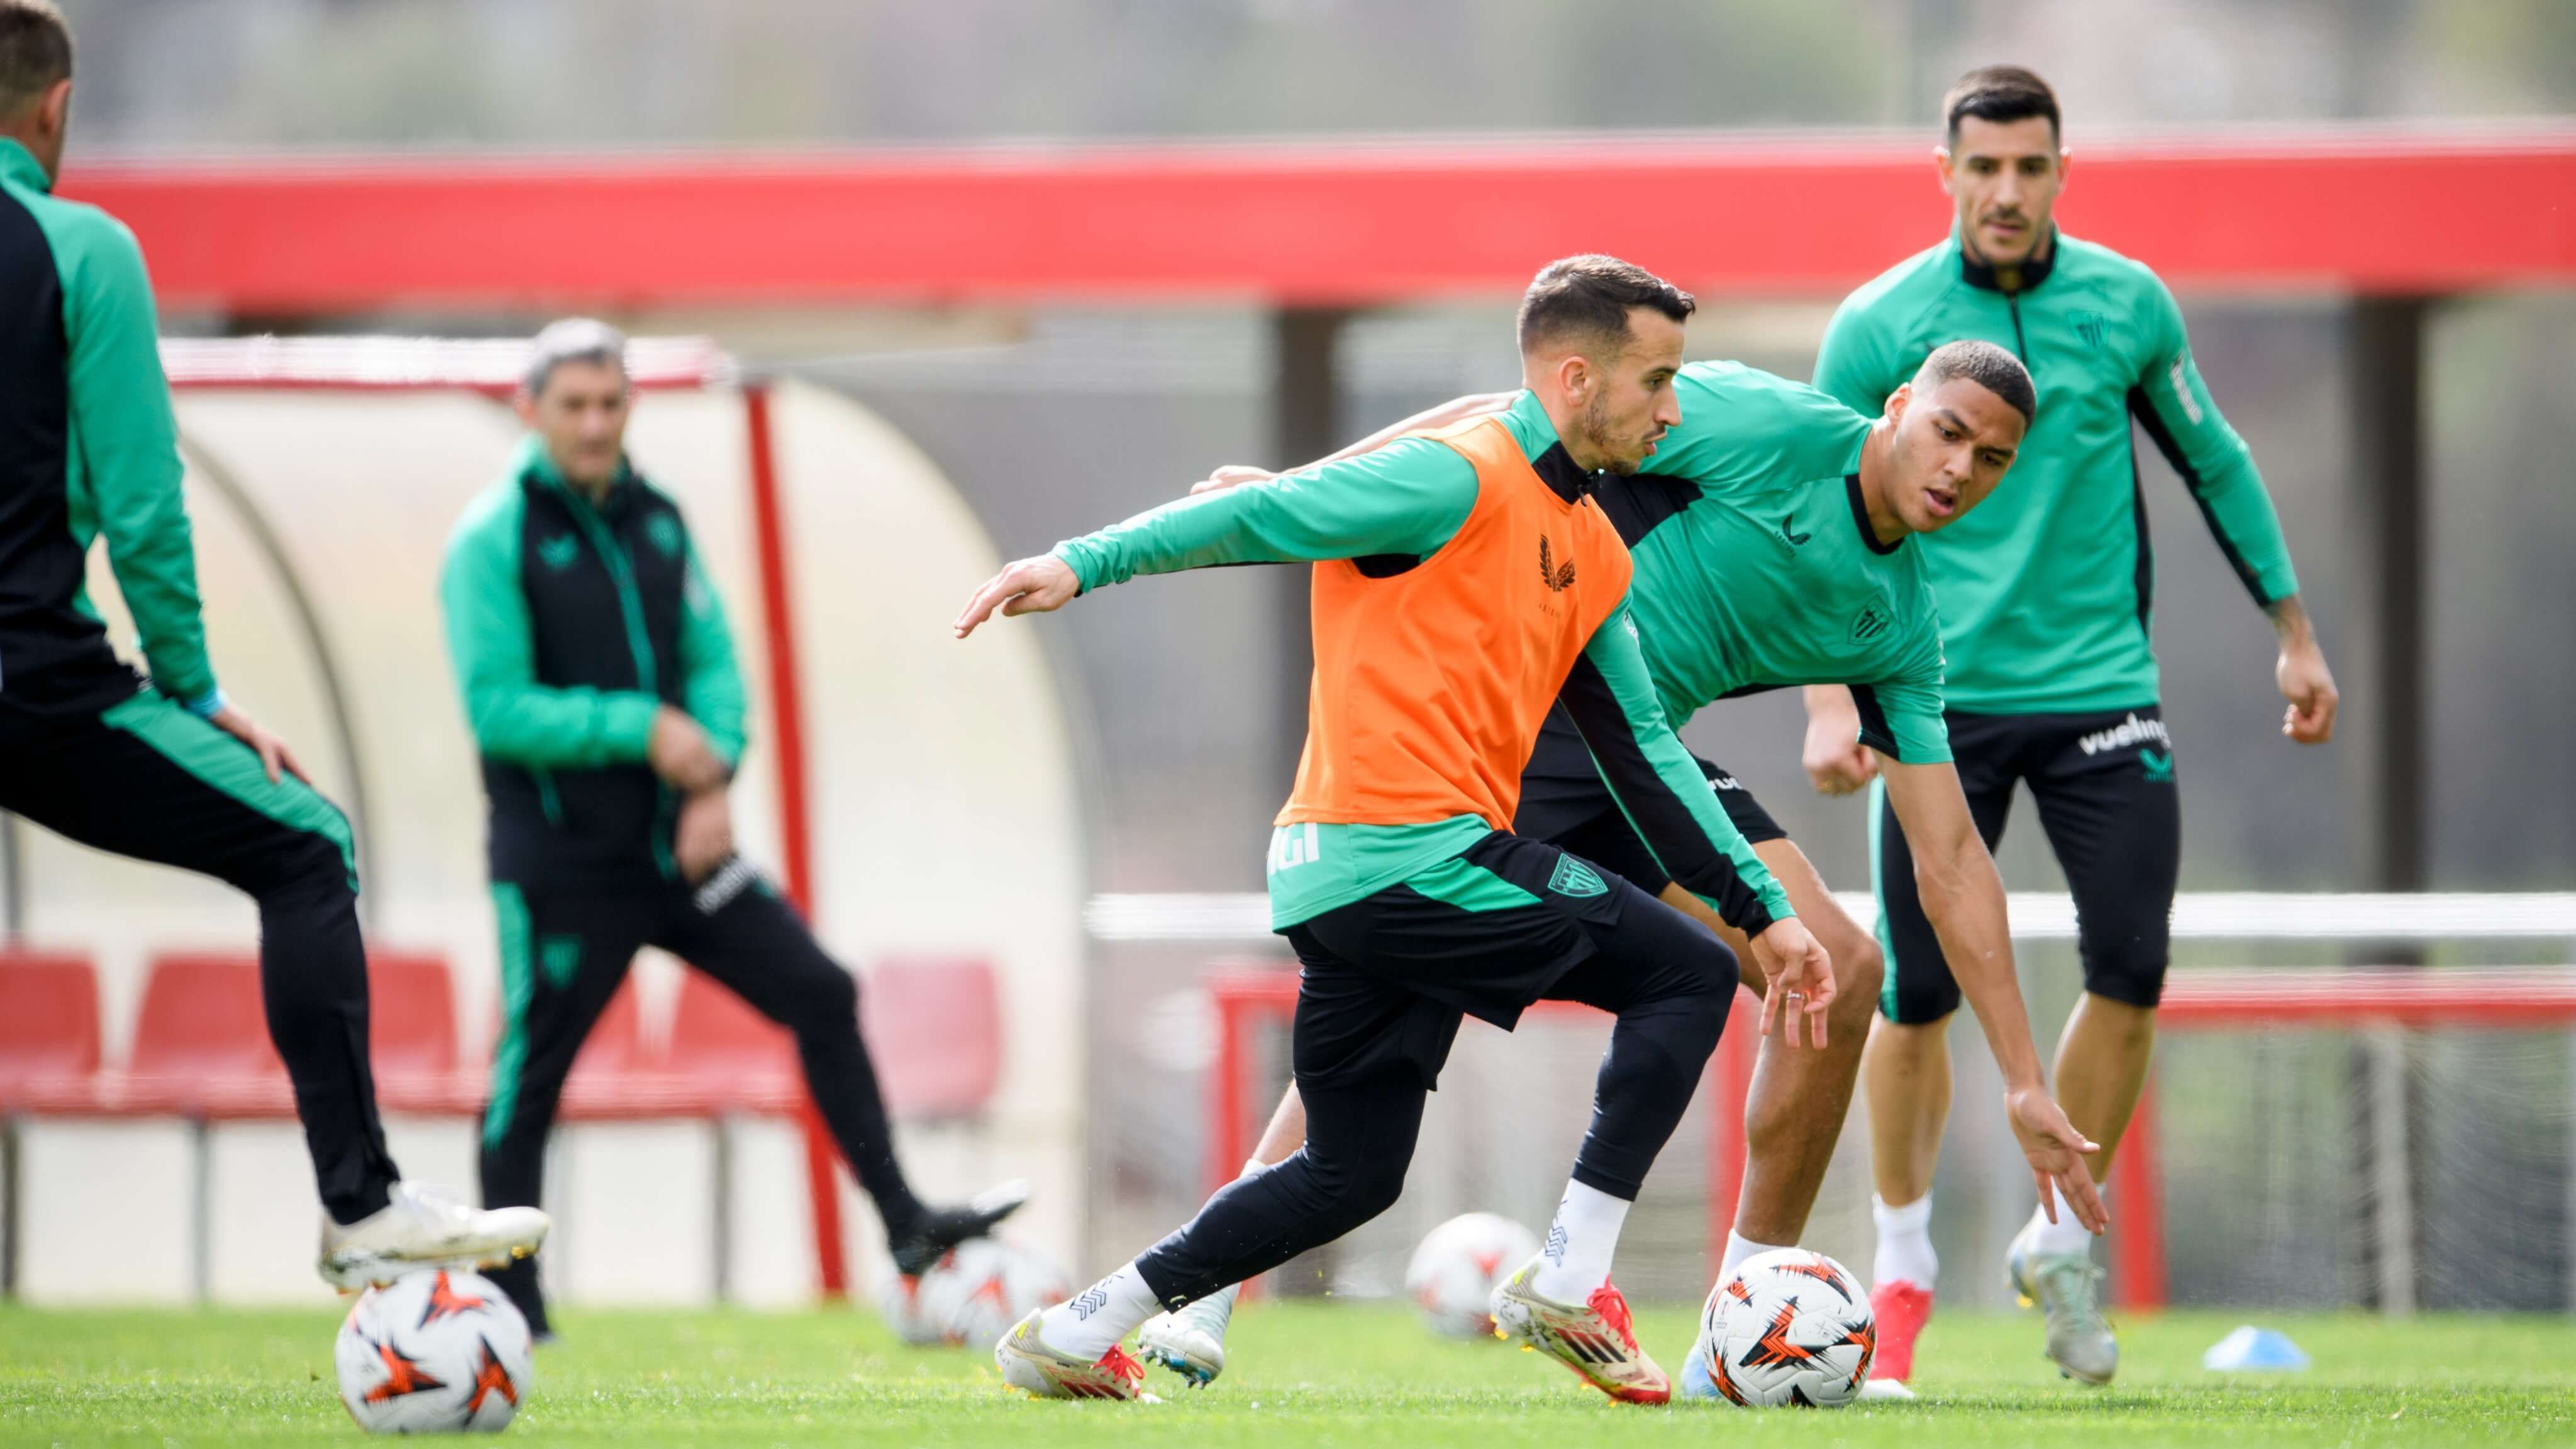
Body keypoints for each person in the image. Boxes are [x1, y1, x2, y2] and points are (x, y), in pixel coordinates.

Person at [1136, 344, 2104, 1403]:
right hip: (1531, 721)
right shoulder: (1768, 426)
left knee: (1837, 967)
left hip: (1644, 762)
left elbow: (1954, 861)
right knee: (1411, 1004)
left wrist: (2022, 1078)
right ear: (1900, 405)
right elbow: (1498, 422)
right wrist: (1293, 491)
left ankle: (1740, 1343)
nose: (1961, 467)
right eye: (1949, 432)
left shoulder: (1903, 624)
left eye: (1994, 458)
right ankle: (1211, 1284)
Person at [960, 254, 1843, 1405]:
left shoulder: (1593, 554)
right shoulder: (1453, 478)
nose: (1674, 409)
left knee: (1350, 1175)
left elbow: (1647, 758)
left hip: (1348, 883)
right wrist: (1079, 563)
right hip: (1408, 861)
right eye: (1658, 381)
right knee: (1680, 972)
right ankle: (1571, 1278)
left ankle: (1081, 1327)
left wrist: (1765, 911)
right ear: (1576, 380)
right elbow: (1255, 511)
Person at [0, 0, 547, 1288]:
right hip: (33, 685)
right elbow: (139, 504)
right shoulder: (79, 249)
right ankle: (361, 1208)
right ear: (57, 108)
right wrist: (193, 691)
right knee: (306, 844)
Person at [1810, 65, 2340, 1388]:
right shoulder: (1875, 323)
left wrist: (2291, 631)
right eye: (1980, 167)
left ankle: (2056, 1240)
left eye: (2028, 167)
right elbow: (1823, 513)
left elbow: (2211, 461)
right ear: (1942, 173)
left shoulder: (2126, 303)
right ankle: (1901, 1268)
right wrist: (1832, 701)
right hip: (1927, 701)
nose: (2004, 191)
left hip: (2101, 691)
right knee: (1915, 995)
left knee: (2129, 971)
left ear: (2058, 171)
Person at [438, 319, 1023, 1338]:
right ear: (530, 411)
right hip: (562, 865)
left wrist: (714, 776)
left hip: (679, 852)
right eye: (572, 405)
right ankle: (512, 1303)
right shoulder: (492, 538)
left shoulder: (658, 520)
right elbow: (497, 707)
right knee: (529, 1081)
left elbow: (715, 664)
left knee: (821, 990)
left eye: (610, 403)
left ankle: (905, 1226)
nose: (593, 424)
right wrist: (645, 730)